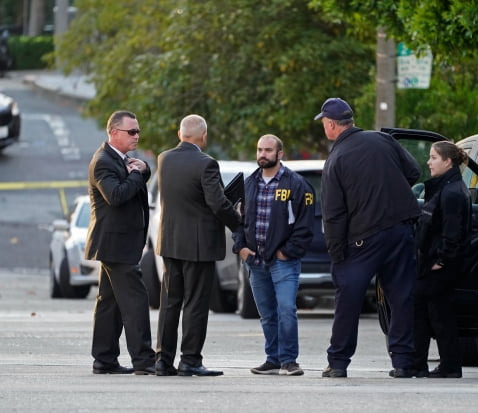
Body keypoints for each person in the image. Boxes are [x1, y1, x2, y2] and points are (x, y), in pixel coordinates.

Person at [315, 97, 422, 378]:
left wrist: (337, 254)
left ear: (330, 125)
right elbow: (413, 172)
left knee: (348, 300)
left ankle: (338, 363)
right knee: (401, 297)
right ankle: (403, 362)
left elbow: (334, 214)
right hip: (400, 231)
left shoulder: (335, 159)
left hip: (362, 240)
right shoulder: (383, 140)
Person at [155, 114, 241, 377]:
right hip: (199, 245)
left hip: (170, 242)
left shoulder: (164, 159)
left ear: (180, 134)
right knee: (195, 303)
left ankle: (162, 360)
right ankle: (190, 360)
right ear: (203, 136)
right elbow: (216, 203)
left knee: (170, 302)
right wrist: (239, 223)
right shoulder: (207, 164)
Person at [232, 134, 315, 376]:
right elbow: (236, 221)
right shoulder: (248, 184)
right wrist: (241, 248)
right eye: (259, 149)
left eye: (268, 150)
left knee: (286, 309)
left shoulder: (297, 184)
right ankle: (273, 359)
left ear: (280, 154)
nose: (262, 154)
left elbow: (305, 226)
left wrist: (286, 252)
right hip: (255, 262)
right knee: (267, 314)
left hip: (283, 262)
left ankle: (289, 361)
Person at [85, 110, 156, 375]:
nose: (137, 136)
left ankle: (104, 360)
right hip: (116, 245)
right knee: (136, 301)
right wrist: (138, 174)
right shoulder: (103, 161)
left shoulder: (122, 159)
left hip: (120, 244)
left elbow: (135, 180)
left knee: (109, 303)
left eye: (138, 131)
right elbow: (115, 195)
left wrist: (144, 169)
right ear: (114, 133)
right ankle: (145, 361)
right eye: (132, 132)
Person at [412, 141, 472, 378]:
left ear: (448, 161)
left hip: (439, 265)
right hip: (432, 262)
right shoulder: (444, 187)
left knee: (437, 315)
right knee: (432, 314)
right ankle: (426, 364)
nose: (429, 162)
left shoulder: (452, 192)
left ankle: (443, 365)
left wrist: (442, 260)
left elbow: (453, 231)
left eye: (434, 157)